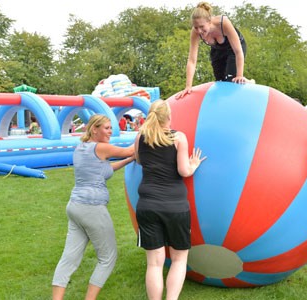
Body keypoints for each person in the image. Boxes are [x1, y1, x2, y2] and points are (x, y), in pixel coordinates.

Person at [52, 114, 135, 300]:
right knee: (108, 258)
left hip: (75, 207)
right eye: (106, 128)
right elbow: (130, 150)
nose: (110, 131)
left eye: (111, 128)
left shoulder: (81, 148)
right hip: (92, 208)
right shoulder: (101, 148)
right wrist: (148, 132)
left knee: (69, 258)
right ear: (94, 128)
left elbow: (105, 170)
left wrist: (129, 161)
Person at [134, 99, 206, 300]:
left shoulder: (141, 136)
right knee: (179, 259)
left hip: (147, 205)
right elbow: (184, 171)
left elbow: (139, 160)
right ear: (169, 117)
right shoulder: (178, 137)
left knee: (154, 263)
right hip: (175, 206)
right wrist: (194, 164)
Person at [175, 2, 254, 99]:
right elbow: (192, 60)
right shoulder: (195, 33)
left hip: (233, 49)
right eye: (196, 27)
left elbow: (238, 51)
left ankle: (249, 82)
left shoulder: (223, 23)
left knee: (231, 81)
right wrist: (188, 86)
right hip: (217, 50)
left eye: (202, 27)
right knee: (220, 82)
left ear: (209, 22)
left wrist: (239, 76)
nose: (199, 31)